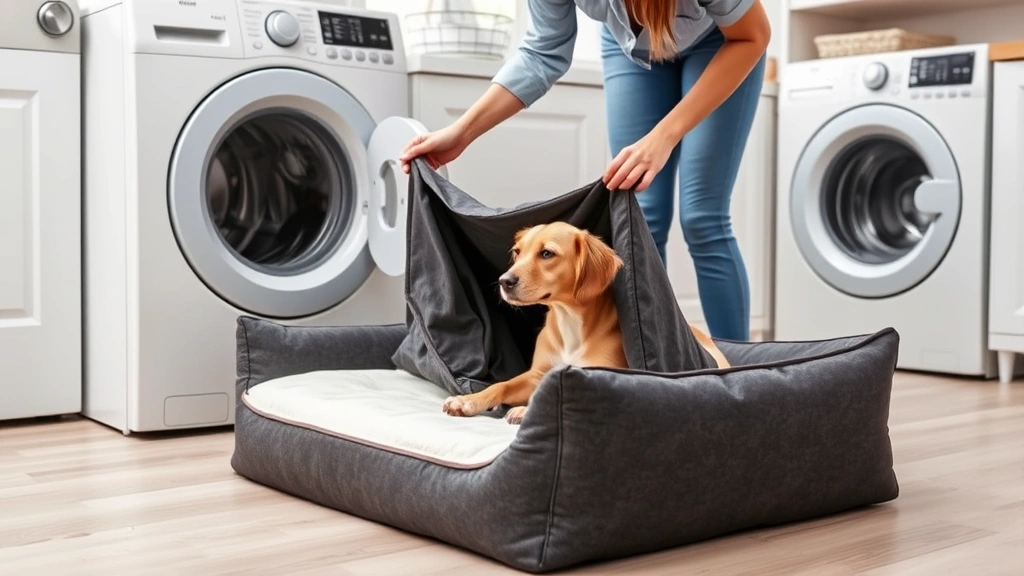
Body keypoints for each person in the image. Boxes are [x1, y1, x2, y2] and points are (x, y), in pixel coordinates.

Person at [398, 0, 770, 341]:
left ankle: (739, 368)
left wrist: (664, 136)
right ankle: (649, 363)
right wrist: (461, 133)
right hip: (631, 50)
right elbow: (541, 53)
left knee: (702, 216)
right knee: (641, 216)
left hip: (723, 42)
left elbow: (752, 35)